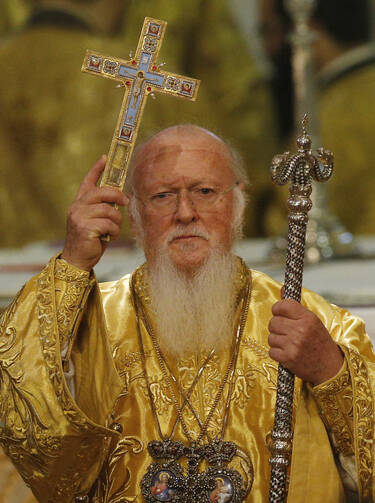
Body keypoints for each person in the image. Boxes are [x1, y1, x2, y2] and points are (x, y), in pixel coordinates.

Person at [0, 124, 374, 502]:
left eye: (205, 192)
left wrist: (331, 371)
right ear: (135, 214)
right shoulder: (87, 322)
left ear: (237, 204)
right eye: (162, 196)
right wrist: (72, 265)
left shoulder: (316, 325)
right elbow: (29, 430)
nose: (185, 212)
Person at [259, 0, 375, 235]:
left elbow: (287, 220)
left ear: (308, 28)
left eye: (271, 31)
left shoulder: (331, 114)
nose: (269, 47)